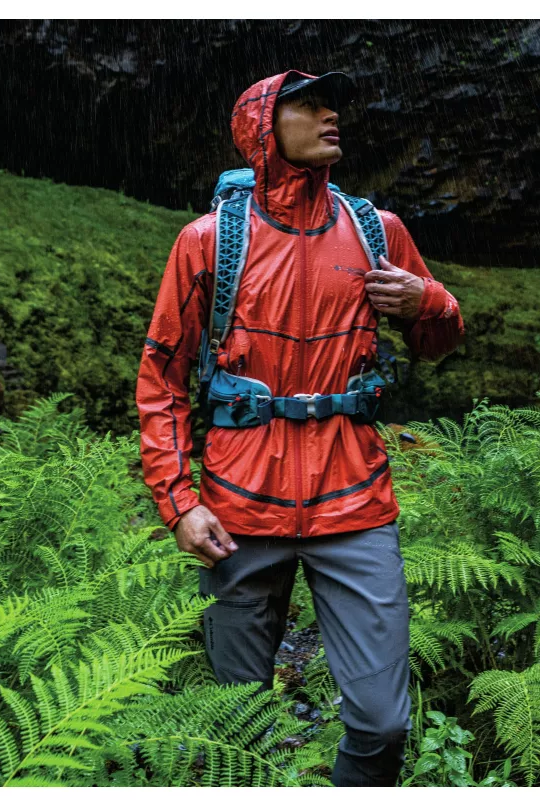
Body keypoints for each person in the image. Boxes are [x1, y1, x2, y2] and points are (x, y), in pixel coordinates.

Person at [136, 69, 465, 787]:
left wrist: (427, 301)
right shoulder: (206, 242)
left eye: (331, 103)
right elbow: (161, 378)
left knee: (382, 721)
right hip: (238, 504)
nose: (331, 115)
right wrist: (178, 503)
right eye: (308, 106)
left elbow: (440, 344)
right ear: (262, 127)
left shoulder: (379, 232)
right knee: (238, 726)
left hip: (355, 501)